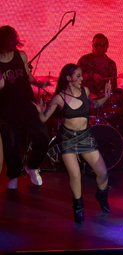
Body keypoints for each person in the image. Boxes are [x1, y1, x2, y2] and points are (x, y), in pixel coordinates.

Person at [33, 63, 112, 223]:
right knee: (75, 175)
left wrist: (106, 97)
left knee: (103, 173)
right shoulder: (59, 98)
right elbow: (43, 119)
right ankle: (78, 206)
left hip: (85, 137)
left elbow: (93, 104)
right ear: (68, 78)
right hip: (68, 139)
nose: (82, 78)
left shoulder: (85, 91)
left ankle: (101, 196)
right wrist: (40, 112)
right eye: (78, 76)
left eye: (81, 75)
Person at [0, 25, 50, 190]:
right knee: (11, 147)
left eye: (15, 38)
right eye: (11, 38)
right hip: (7, 109)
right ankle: (13, 176)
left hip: (27, 105)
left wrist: (39, 83)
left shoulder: (21, 56)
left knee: (42, 138)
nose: (15, 41)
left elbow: (28, 76)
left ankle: (32, 166)